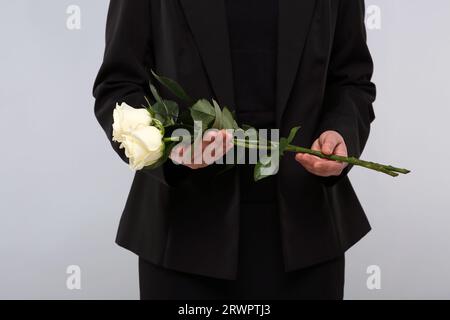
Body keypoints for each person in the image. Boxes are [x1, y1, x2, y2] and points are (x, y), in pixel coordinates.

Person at [93, 0, 376, 300]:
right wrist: (173, 150)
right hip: (182, 235)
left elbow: (351, 79)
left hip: (306, 229)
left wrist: (341, 133)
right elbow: (118, 84)